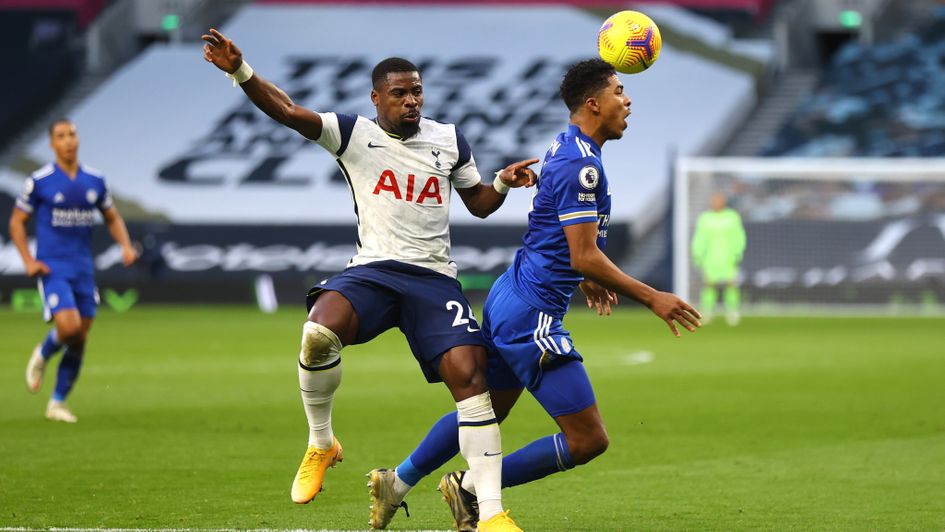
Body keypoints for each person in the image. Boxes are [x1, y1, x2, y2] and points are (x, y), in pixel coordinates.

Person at [201, 28, 537, 531]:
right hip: (374, 271)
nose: (411, 100)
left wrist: (502, 184)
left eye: (417, 91)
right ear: (376, 98)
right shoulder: (351, 133)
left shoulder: (449, 140)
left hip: (433, 278)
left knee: (472, 381)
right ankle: (321, 442)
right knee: (318, 333)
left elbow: (480, 205)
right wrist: (240, 71)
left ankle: (490, 513)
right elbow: (287, 110)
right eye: (399, 93)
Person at [367, 59, 702, 531]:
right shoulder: (581, 164)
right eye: (619, 92)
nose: (627, 102)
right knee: (588, 440)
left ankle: (397, 482)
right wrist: (651, 297)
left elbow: (559, 232)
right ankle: (471, 489)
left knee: (483, 410)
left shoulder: (566, 147)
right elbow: (583, 254)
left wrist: (582, 271)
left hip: (513, 297)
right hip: (532, 315)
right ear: (593, 104)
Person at [11, 119, 137, 423]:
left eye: (72, 134)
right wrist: (28, 261)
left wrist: (125, 245)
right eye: (61, 136)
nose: (68, 140)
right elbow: (16, 221)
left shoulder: (95, 180)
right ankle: (43, 352)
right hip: (53, 267)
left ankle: (57, 403)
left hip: (83, 268)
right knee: (69, 329)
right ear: (52, 144)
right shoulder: (39, 181)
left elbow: (112, 217)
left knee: (80, 337)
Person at [691, 192, 746, 325]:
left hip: (729, 257)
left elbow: (739, 235)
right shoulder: (705, 218)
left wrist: (738, 253)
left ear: (724, 202)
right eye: (714, 201)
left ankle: (732, 311)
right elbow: (700, 238)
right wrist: (697, 255)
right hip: (710, 258)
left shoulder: (732, 217)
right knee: (709, 285)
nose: (716, 203)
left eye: (719, 200)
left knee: (731, 285)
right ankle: (707, 312)